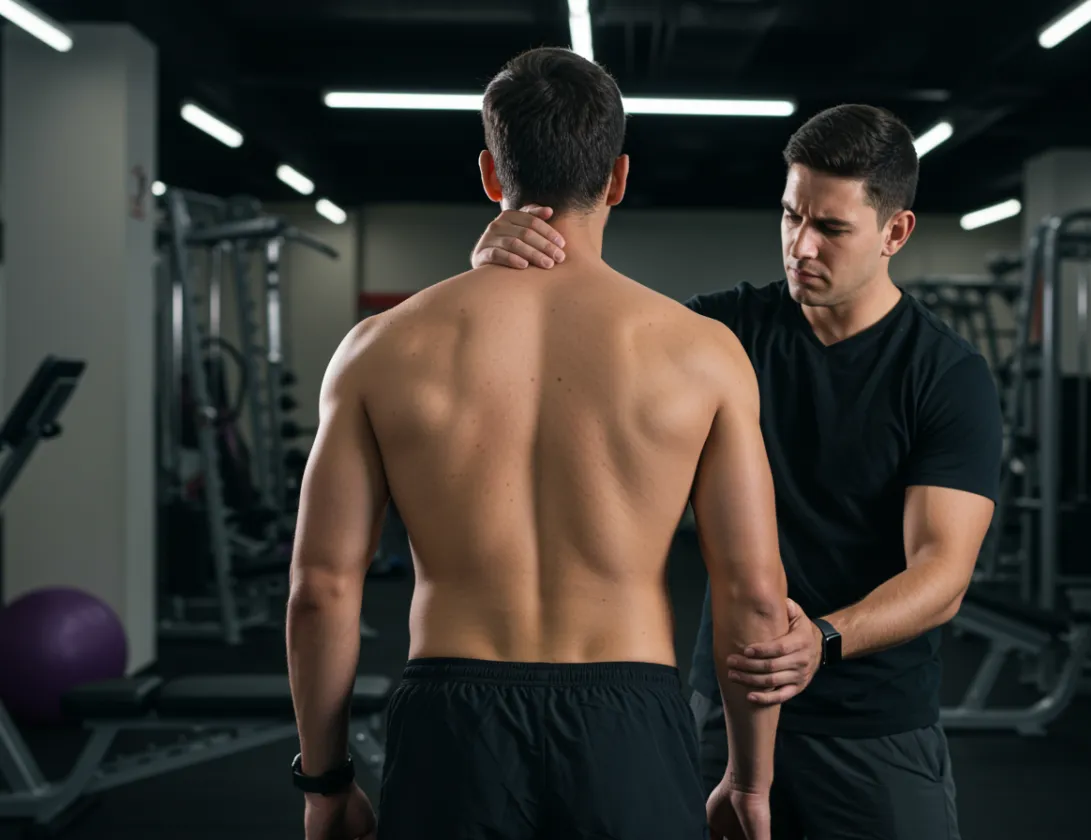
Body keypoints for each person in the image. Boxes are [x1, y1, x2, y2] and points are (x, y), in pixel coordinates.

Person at [285, 46, 791, 840]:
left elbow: (320, 588)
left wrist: (325, 783)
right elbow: (755, 596)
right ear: (618, 179)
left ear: (492, 175)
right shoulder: (703, 353)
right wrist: (749, 780)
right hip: (628, 717)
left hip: (453, 722)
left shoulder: (379, 348)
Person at [469, 103, 1004, 840]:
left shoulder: (944, 374)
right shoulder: (720, 335)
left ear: (895, 232)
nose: (800, 246)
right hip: (725, 710)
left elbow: (942, 571)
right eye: (790, 216)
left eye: (831, 228)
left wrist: (824, 638)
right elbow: (560, 370)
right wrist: (499, 276)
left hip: (872, 724)